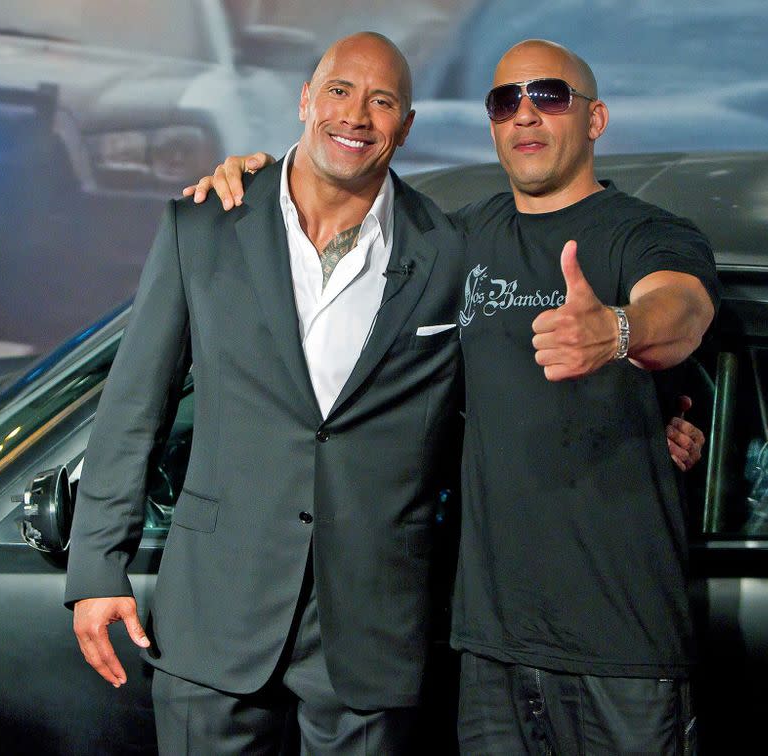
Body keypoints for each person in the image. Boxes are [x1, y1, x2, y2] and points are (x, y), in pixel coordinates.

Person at [187, 38, 717, 754]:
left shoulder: (644, 234)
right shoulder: (457, 237)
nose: (525, 114)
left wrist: (617, 331)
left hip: (619, 644)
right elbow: (340, 218)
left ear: (595, 120)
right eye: (505, 101)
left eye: (550, 96)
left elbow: (680, 310)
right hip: (484, 644)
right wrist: (254, 176)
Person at [65, 32, 469, 754]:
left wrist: (657, 414)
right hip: (216, 613)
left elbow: (496, 399)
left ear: (405, 127)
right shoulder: (204, 222)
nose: (356, 114)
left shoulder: (451, 252)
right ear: (305, 100)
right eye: (340, 91)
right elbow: (135, 405)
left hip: (371, 629)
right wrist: (99, 563)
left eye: (383, 101)